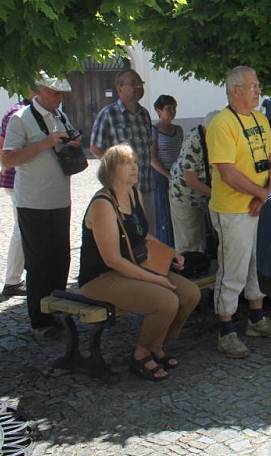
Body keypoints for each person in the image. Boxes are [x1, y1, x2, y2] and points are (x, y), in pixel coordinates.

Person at [79, 145, 200, 381]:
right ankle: (141, 353)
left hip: (135, 265)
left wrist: (171, 253)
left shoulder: (134, 194)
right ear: (111, 170)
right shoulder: (103, 204)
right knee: (166, 300)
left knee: (190, 294)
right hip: (102, 277)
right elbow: (112, 259)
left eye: (135, 161)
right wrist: (155, 279)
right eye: (127, 163)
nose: (135, 167)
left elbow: (142, 234)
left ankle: (157, 344)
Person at [208, 66, 271, 359]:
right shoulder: (221, 124)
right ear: (234, 90)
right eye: (251, 86)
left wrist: (265, 195)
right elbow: (227, 172)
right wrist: (262, 194)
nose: (258, 90)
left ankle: (256, 318)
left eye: (258, 84)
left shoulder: (260, 119)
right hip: (232, 209)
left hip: (258, 204)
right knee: (233, 269)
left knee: (258, 264)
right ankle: (225, 329)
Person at [2, 74, 79, 338]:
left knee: (61, 259)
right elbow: (8, 159)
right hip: (33, 202)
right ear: (40, 92)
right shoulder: (20, 118)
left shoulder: (61, 116)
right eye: (54, 93)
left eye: (61, 95)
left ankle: (56, 310)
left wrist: (71, 144)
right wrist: (44, 144)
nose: (59, 99)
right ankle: (39, 320)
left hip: (60, 199)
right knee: (38, 263)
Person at [90, 70, 156, 231]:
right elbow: (95, 148)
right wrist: (115, 171)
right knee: (127, 235)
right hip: (122, 190)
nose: (138, 87)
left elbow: (148, 148)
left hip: (146, 186)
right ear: (120, 88)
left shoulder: (144, 114)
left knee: (148, 233)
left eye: (140, 83)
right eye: (133, 83)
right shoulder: (108, 114)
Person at [0, 91, 34, 296]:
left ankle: (15, 279)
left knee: (21, 227)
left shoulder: (16, 111)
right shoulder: (21, 113)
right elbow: (3, 146)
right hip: (19, 179)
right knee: (21, 228)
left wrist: (2, 170)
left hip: (14, 177)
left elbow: (0, 145)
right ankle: (12, 280)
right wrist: (4, 170)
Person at [169, 111, 220, 255]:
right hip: (184, 194)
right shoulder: (194, 139)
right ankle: (188, 271)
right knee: (188, 238)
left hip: (205, 193)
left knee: (201, 236)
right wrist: (217, 195)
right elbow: (191, 180)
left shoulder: (217, 137)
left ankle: (200, 265)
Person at [150, 95, 183, 247]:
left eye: (174, 108)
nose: (172, 111)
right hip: (161, 176)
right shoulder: (154, 130)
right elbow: (152, 158)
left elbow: (182, 153)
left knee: (179, 213)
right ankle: (166, 251)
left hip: (177, 175)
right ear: (158, 111)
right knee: (164, 214)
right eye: (168, 109)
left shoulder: (178, 130)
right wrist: (168, 175)